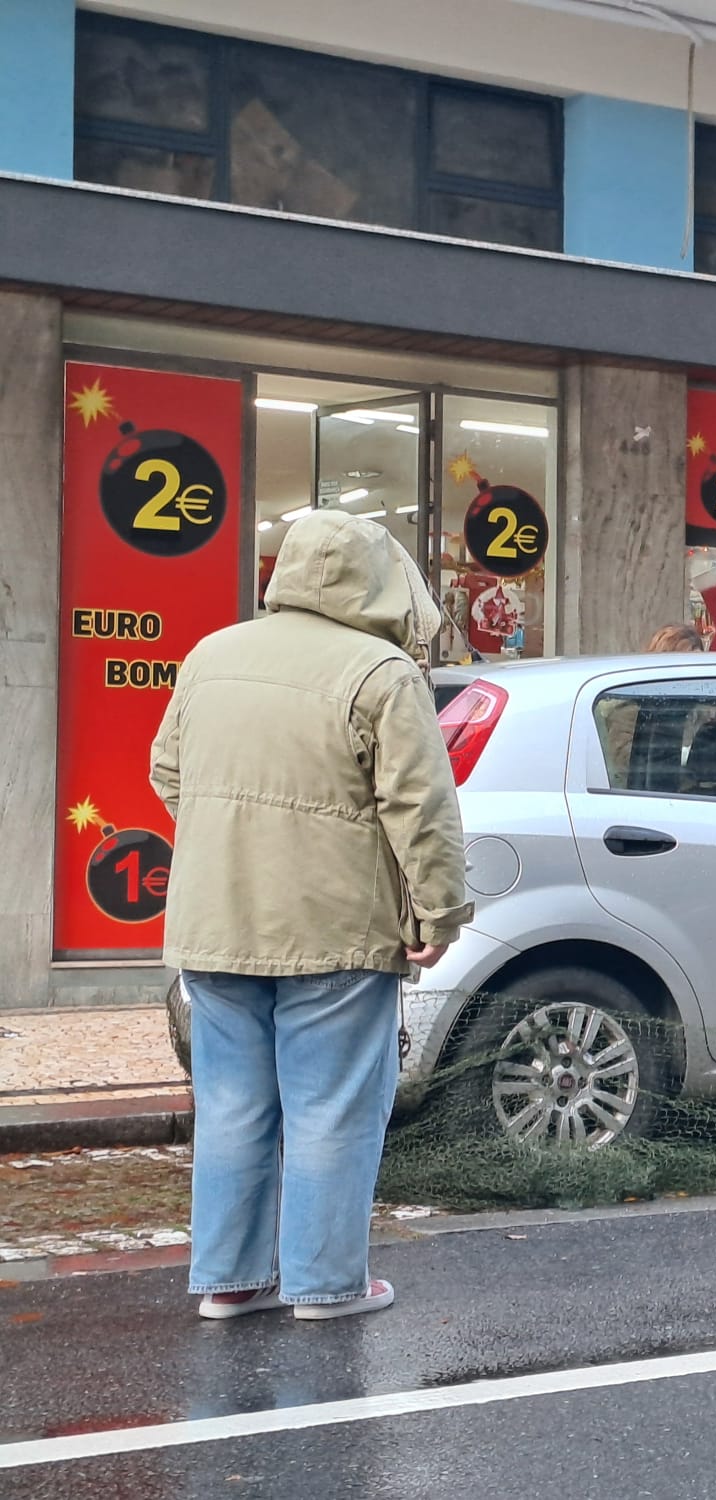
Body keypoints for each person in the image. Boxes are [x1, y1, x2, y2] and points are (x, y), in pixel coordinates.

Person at [150, 512, 469, 1321]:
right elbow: (420, 807)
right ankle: (327, 1286)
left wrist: (231, 839)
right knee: (330, 1105)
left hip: (216, 917)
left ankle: (228, 1280)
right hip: (336, 922)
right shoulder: (383, 670)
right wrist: (438, 910)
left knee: (229, 1104)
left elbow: (167, 773)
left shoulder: (212, 655)